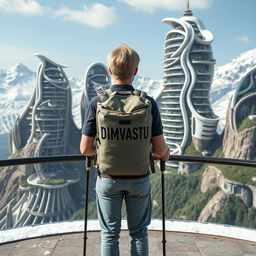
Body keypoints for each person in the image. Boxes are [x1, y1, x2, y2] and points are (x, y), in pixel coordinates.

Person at [80, 44, 170, 256]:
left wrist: (104, 148)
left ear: (110, 71)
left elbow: (85, 149)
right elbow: (159, 150)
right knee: (139, 233)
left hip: (108, 178)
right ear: (136, 71)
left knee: (110, 234)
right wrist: (164, 152)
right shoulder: (148, 103)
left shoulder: (97, 102)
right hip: (139, 178)